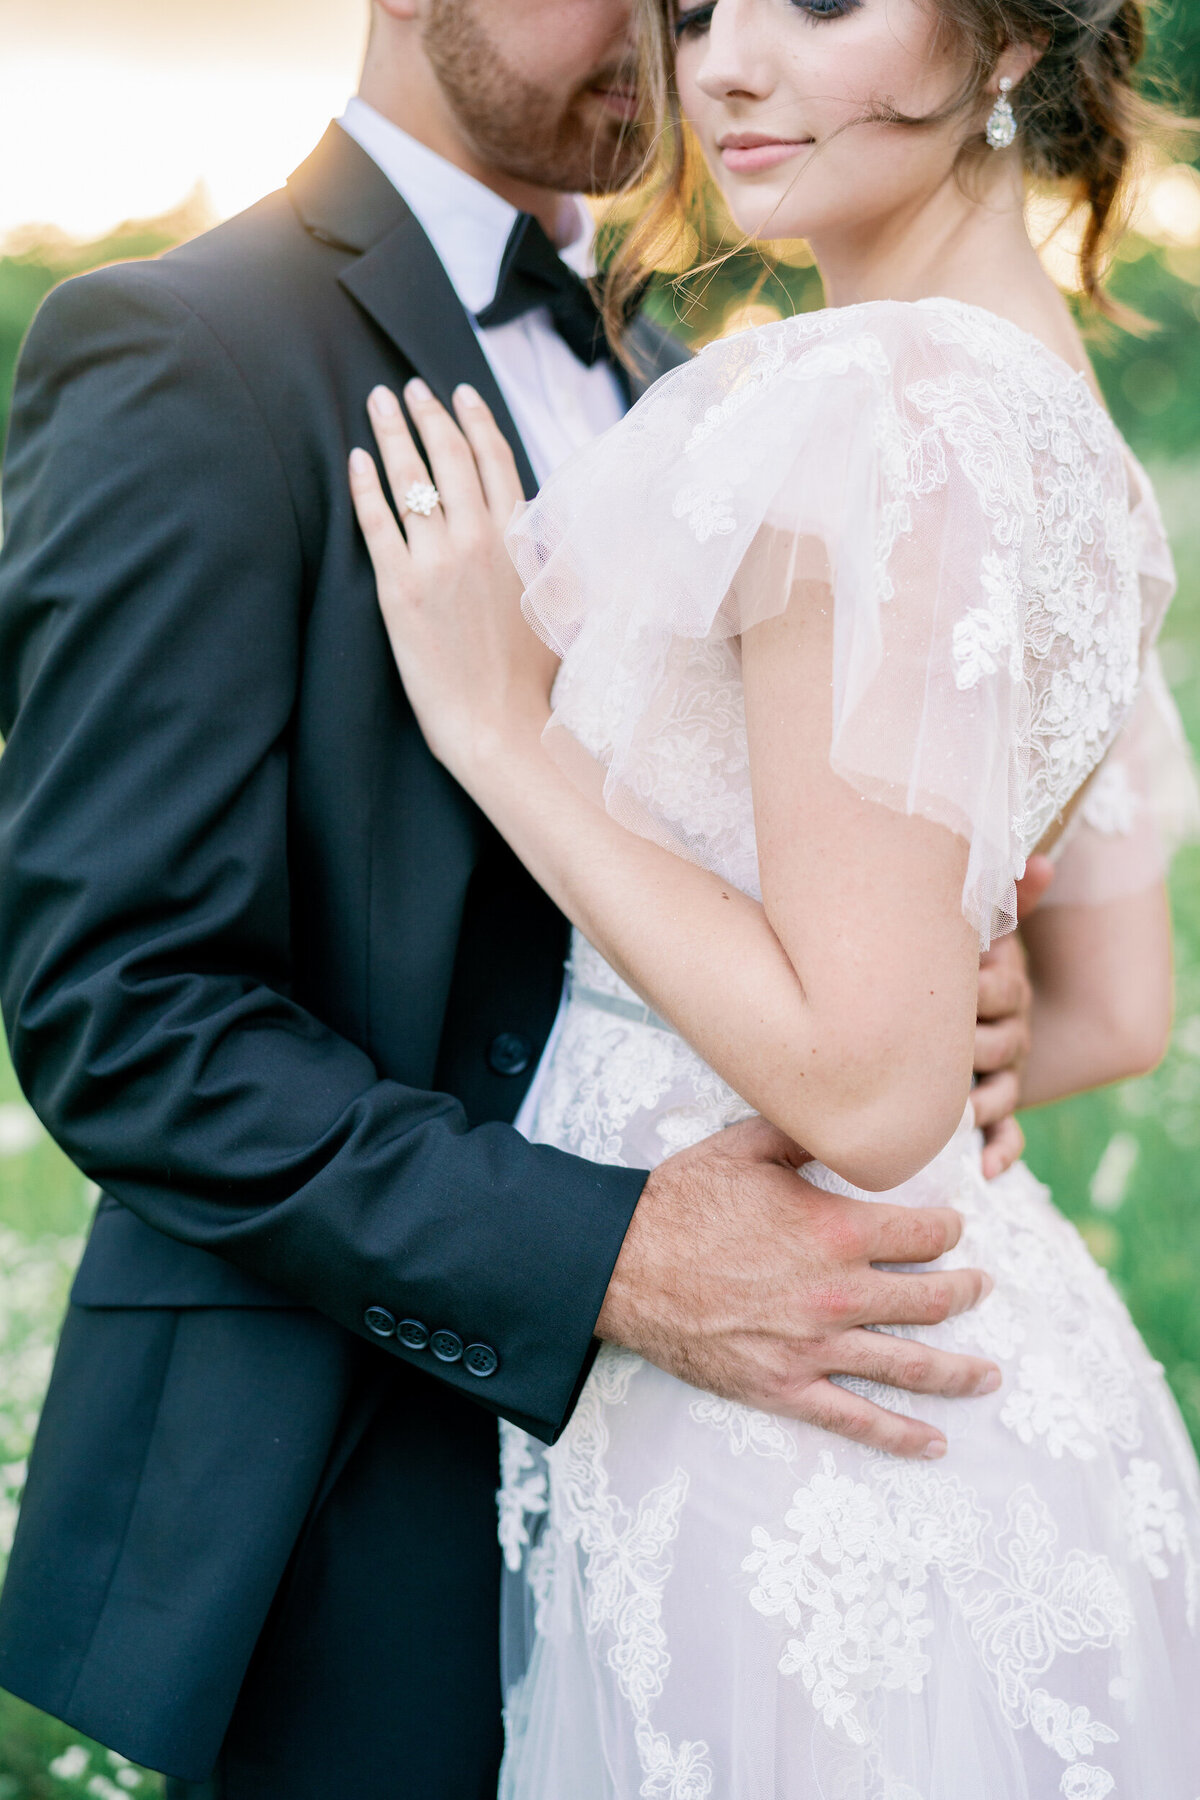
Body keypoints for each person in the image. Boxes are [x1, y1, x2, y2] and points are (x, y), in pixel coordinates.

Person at [0, 2, 1035, 1795]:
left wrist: (920, 974)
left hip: (728, 1491)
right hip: (357, 1473)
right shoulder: (180, 348)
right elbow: (123, 1011)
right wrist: (611, 1263)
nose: (667, 23)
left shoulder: (712, 360)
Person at [346, 0, 1200, 1791]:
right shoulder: (1081, 451)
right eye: (697, 7)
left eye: (815, 0)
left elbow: (874, 1092)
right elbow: (1118, 1007)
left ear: (1010, 41)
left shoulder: (863, 402)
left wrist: (507, 732)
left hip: (797, 1410)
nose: (722, 62)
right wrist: (924, 982)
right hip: (970, 1360)